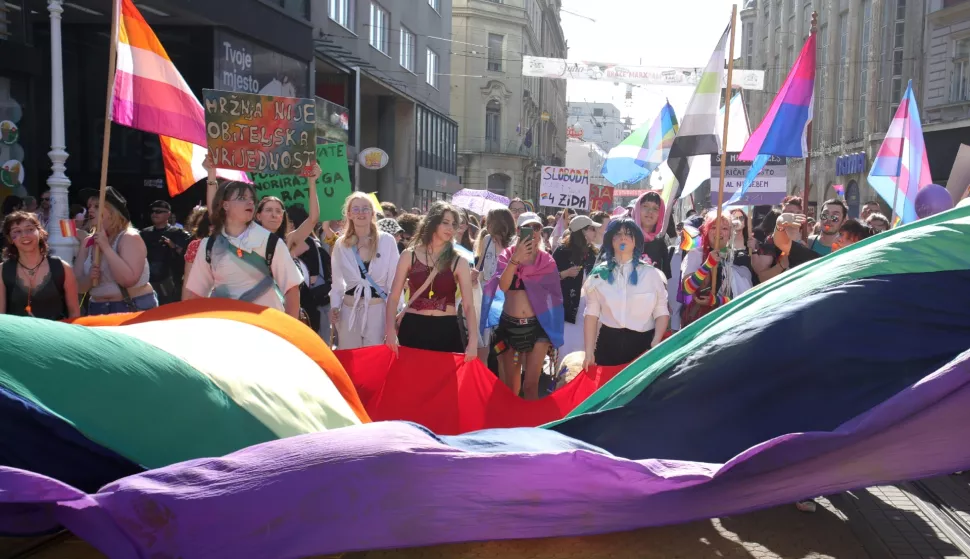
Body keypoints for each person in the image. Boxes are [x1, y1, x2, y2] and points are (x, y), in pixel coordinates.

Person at [184, 178, 303, 319]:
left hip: (266, 327)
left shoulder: (270, 242)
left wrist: (290, 330)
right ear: (225, 205)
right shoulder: (208, 245)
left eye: (252, 198)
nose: (250, 202)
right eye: (242, 198)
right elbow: (197, 295)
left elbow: (291, 288)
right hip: (226, 326)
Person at [482, 212, 564, 400]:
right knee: (511, 386)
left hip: (537, 328)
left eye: (537, 228)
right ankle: (512, 425)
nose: (533, 232)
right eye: (528, 228)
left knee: (530, 385)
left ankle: (531, 426)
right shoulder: (507, 255)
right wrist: (515, 260)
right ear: (519, 231)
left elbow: (556, 299)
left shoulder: (547, 261)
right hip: (509, 326)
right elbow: (502, 285)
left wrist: (554, 331)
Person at [384, 202, 478, 359]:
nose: (450, 228)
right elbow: (393, 297)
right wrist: (390, 331)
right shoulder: (409, 255)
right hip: (412, 328)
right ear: (433, 222)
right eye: (445, 222)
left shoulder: (458, 261)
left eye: (454, 224)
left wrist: (473, 341)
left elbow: (468, 305)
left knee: (444, 383)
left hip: (446, 330)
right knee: (412, 383)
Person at [582, 217, 669, 368]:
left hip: (642, 348)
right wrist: (588, 352)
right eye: (617, 234)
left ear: (636, 241)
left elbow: (661, 311)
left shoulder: (651, 274)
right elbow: (591, 314)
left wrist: (655, 343)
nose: (623, 237)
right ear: (610, 240)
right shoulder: (598, 275)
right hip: (607, 346)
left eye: (628, 234)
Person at [328, 192, 399, 349]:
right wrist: (334, 307)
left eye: (365, 209)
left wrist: (393, 316)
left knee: (374, 362)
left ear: (372, 213)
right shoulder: (341, 244)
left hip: (377, 311)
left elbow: (394, 282)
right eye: (356, 209)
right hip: (348, 312)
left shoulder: (387, 241)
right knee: (350, 362)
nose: (361, 213)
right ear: (349, 214)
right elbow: (337, 283)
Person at [74, 187, 157, 315]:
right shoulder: (88, 242)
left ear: (113, 212)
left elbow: (128, 280)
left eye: (97, 206)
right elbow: (78, 286)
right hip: (97, 309)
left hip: (131, 307)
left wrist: (106, 248)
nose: (90, 209)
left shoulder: (129, 237)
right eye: (89, 206)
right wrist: (89, 278)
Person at [679, 211, 754, 328]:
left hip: (726, 325)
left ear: (730, 233)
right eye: (713, 227)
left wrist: (716, 301)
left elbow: (741, 300)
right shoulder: (695, 255)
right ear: (707, 231)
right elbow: (687, 289)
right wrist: (708, 264)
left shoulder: (737, 259)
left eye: (724, 228)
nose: (719, 232)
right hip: (699, 325)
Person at [1, 211, 80, 320]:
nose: (25, 235)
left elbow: (74, 315)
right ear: (10, 238)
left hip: (55, 335)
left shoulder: (62, 268)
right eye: (17, 231)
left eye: (30, 229)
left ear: (40, 232)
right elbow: (1, 318)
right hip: (18, 336)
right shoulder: (3, 270)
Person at [553, 215, 600, 362]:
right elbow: (548, 278)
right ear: (582, 231)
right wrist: (565, 274)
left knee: (585, 347)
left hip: (589, 307)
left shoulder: (593, 253)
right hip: (568, 308)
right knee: (566, 349)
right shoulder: (561, 251)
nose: (595, 232)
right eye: (592, 229)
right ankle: (563, 380)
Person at [473, 207, 515, 363]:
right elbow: (481, 263)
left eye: (490, 222)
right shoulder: (487, 240)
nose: (487, 225)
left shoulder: (514, 242)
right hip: (486, 292)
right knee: (484, 332)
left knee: (501, 332)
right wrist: (475, 272)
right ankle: (484, 366)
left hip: (505, 293)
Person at [140, 200, 192, 306]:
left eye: (159, 211)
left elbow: (188, 256)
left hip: (170, 279)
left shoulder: (179, 234)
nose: (154, 214)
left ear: (168, 214)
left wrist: (173, 246)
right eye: (153, 211)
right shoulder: (144, 233)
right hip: (148, 279)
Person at [632, 191, 671, 278]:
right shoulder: (624, 238)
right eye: (645, 206)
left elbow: (664, 281)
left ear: (660, 214)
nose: (650, 212)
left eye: (655, 208)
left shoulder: (661, 245)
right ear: (637, 209)